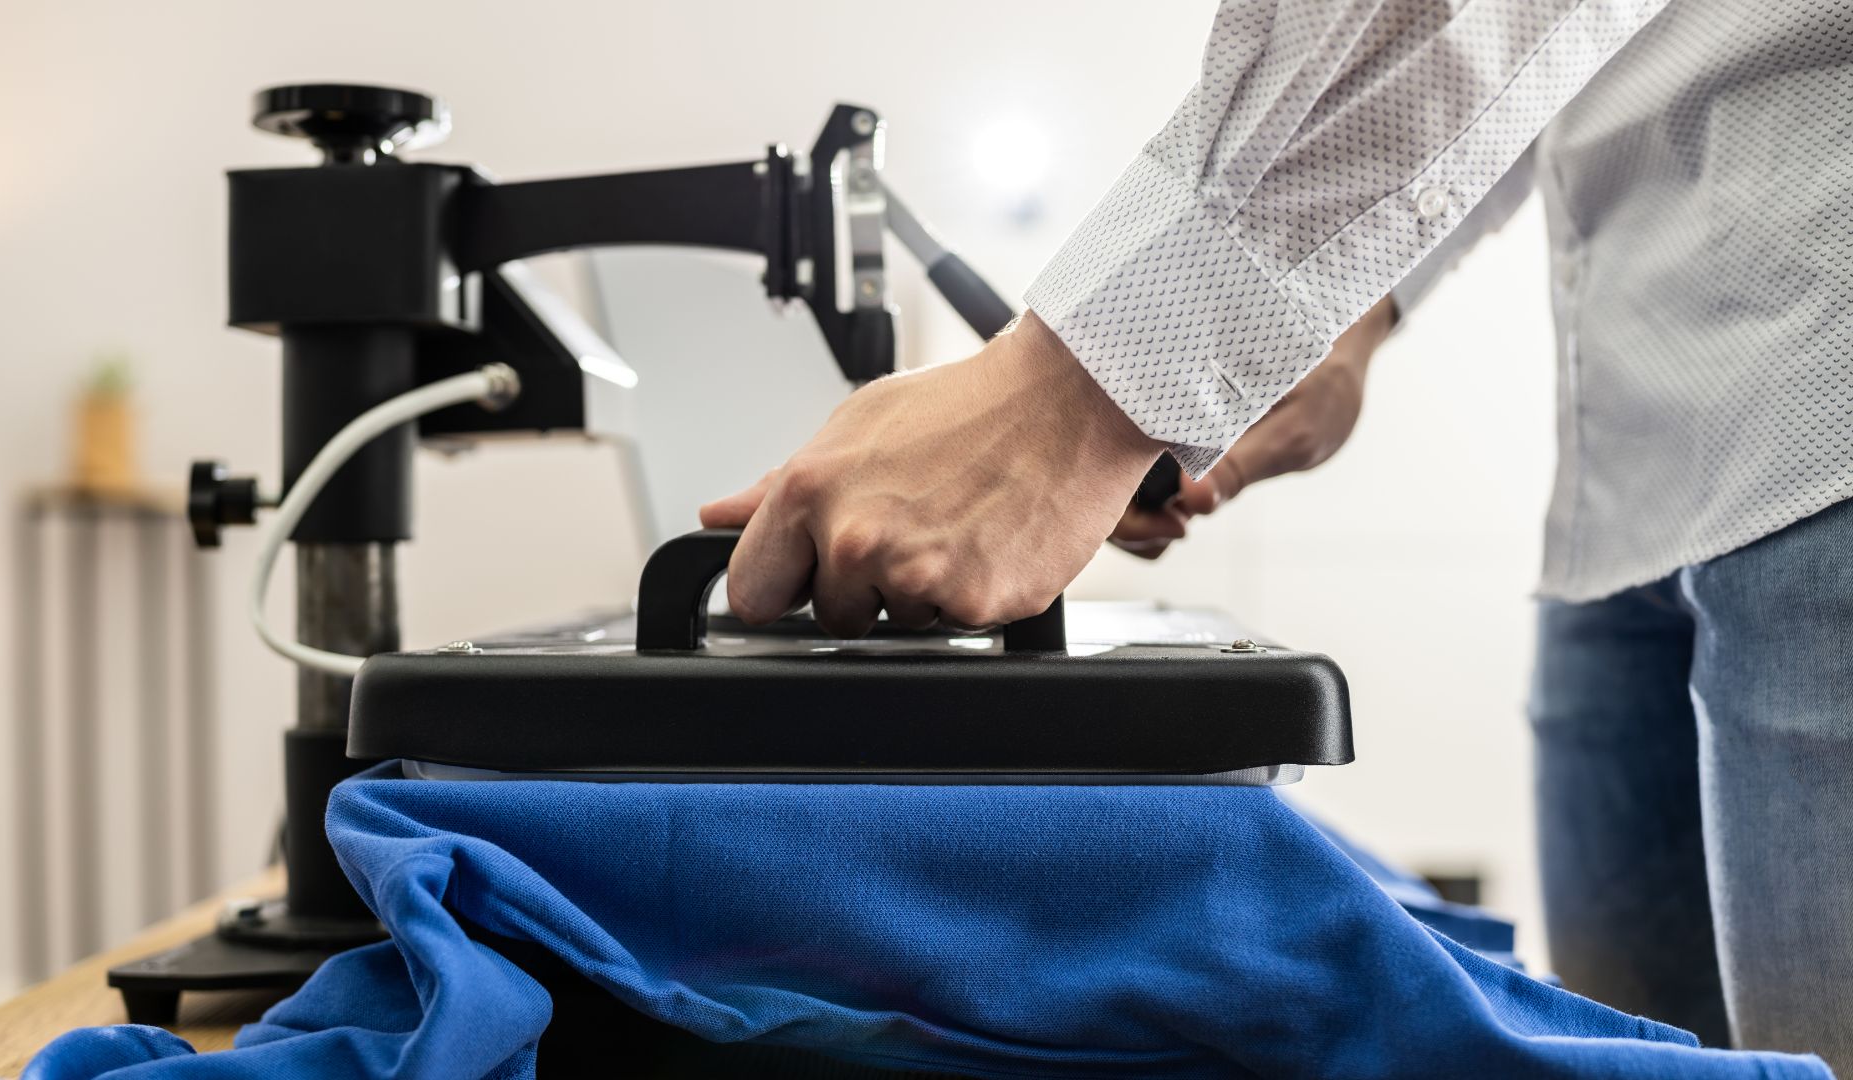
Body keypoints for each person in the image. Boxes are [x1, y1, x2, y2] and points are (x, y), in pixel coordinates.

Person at [700, 0, 1853, 1067]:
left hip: (1823, 410)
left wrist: (1073, 394)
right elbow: (1560, 53)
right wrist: (1351, 316)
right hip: (1626, 465)